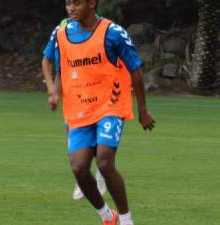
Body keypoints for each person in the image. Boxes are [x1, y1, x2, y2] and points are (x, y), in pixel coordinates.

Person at [48, 0, 156, 225]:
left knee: (105, 162)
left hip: (111, 104)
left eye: (76, 3)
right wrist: (55, 92)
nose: (71, 8)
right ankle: (108, 216)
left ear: (91, 3)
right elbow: (60, 68)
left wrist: (143, 109)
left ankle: (126, 220)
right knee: (79, 167)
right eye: (68, 3)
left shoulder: (113, 33)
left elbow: (135, 71)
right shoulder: (61, 34)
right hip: (80, 109)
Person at [41, 16, 107, 200]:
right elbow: (50, 63)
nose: (72, 8)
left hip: (96, 90)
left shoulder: (99, 27)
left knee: (98, 134)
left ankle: (102, 173)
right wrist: (53, 92)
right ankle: (82, 177)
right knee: (72, 133)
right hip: (72, 90)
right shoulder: (60, 29)